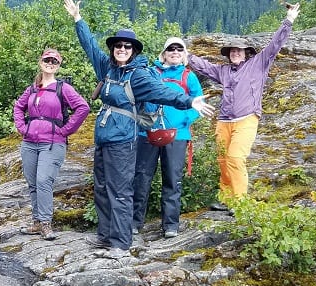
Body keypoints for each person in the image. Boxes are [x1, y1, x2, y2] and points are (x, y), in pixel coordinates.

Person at [64, 0, 215, 259]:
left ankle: (121, 243)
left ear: (133, 51)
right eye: (118, 45)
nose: (122, 49)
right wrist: (78, 19)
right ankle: (106, 235)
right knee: (101, 187)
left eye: (127, 46)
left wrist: (189, 101)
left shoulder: (139, 75)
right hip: (104, 138)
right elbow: (89, 46)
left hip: (124, 139)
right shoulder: (108, 68)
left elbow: (163, 93)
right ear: (113, 49)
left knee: (120, 190)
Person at [187, 3, 300, 209]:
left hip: (247, 118)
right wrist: (185, 56)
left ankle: (240, 203)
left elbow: (275, 44)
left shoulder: (258, 64)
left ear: (246, 52)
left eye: (238, 50)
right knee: (222, 160)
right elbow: (204, 66)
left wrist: (289, 19)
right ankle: (226, 199)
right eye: (232, 51)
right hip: (223, 121)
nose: (235, 53)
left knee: (235, 157)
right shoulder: (223, 71)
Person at [13, 48, 90, 240]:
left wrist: (65, 130)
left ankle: (46, 223)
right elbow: (18, 107)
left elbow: (83, 107)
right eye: (47, 60)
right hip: (29, 143)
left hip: (53, 143)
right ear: (41, 62)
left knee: (43, 181)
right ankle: (37, 222)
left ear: (58, 66)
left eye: (54, 61)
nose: (50, 63)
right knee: (33, 183)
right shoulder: (32, 88)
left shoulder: (62, 88)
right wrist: (22, 128)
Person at [132, 37, 205, 239]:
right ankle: (134, 222)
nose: (174, 52)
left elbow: (199, 102)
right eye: (170, 49)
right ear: (163, 54)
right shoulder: (150, 73)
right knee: (141, 178)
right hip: (146, 132)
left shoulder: (189, 76)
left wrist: (185, 120)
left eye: (179, 49)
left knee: (173, 180)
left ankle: (170, 225)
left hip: (177, 134)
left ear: (184, 55)